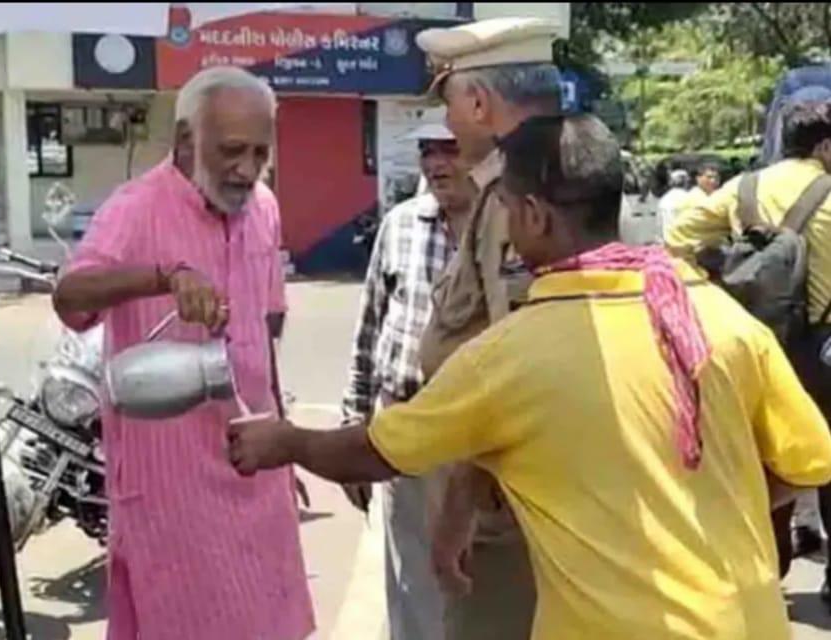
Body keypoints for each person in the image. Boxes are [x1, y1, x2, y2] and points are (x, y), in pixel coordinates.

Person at [228, 114, 831, 639]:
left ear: (535, 215)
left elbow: (376, 451)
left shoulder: (512, 354)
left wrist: (288, 442)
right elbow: (806, 461)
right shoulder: (712, 311)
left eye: (507, 209)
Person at [52, 67, 314, 640]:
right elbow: (70, 299)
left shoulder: (263, 207)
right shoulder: (135, 208)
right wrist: (162, 277)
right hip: (174, 490)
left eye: (259, 153)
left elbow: (265, 331)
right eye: (231, 151)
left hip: (255, 465)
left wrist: (284, 442)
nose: (246, 169)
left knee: (273, 622)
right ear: (185, 142)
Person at [411, 17, 562, 638]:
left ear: (478, 102)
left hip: (506, 505)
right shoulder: (558, 179)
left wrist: (460, 507)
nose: (446, 126)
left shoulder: (514, 200)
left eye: (449, 103)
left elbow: (513, 372)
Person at [667, 99, 831, 610]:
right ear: (825, 146)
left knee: (758, 455)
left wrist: (725, 272)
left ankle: (764, 571)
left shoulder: (743, 189)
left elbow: (676, 238)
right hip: (822, 347)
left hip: (753, 344)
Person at [340, 122, 473, 640]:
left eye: (450, 150)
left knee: (478, 587)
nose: (437, 164)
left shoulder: (512, 226)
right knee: (413, 592)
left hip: (483, 439)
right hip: (406, 430)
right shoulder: (401, 225)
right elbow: (369, 326)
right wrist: (354, 425)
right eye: (427, 151)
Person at [656, 168, 691, 239]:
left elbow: (659, 224)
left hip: (668, 241)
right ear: (685, 182)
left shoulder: (664, 199)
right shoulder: (689, 198)